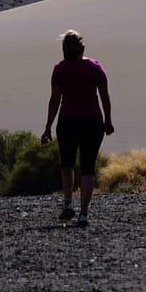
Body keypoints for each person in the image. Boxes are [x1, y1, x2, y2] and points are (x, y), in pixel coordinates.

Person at [40, 29, 113, 226]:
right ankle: (84, 214)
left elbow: (54, 100)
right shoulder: (95, 67)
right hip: (92, 122)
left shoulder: (60, 69)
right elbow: (105, 97)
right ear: (82, 47)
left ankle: (68, 203)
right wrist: (108, 120)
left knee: (67, 164)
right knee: (88, 168)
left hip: (67, 122)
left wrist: (47, 126)